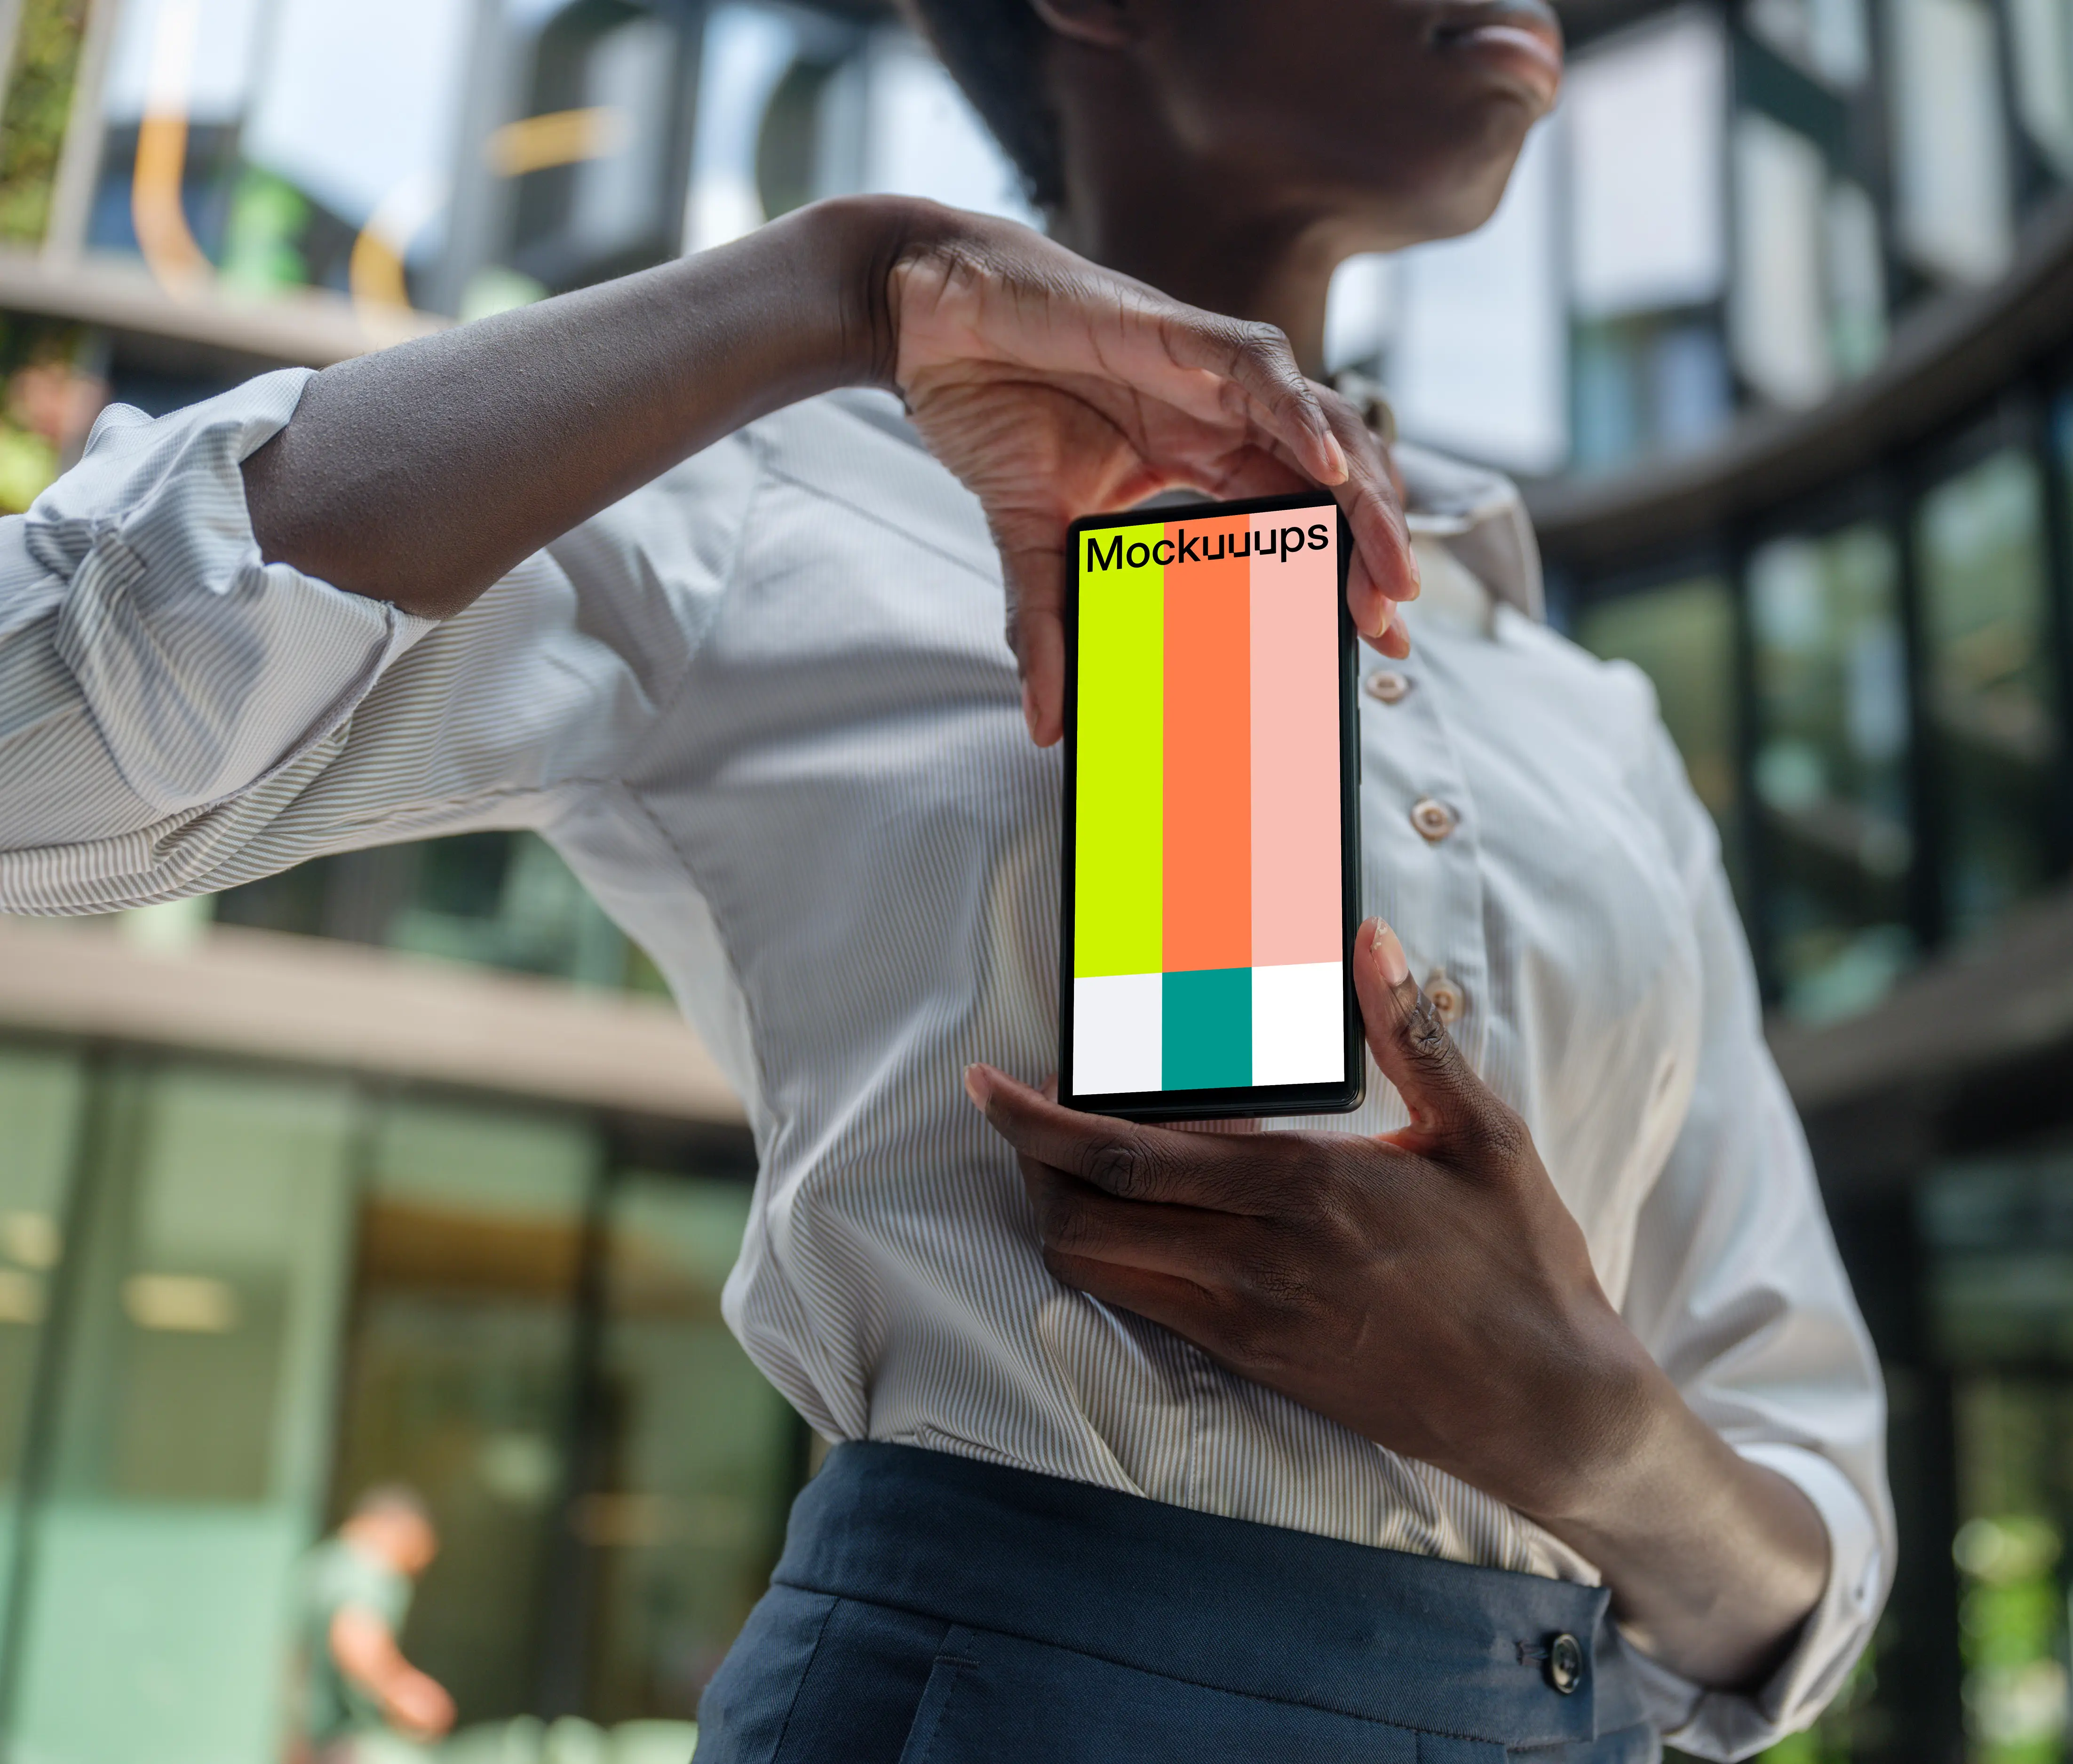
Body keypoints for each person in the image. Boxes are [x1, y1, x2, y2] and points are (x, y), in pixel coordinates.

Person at [0, 0, 1892, 1756]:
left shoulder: (1587, 717)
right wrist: (837, 288)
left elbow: (1799, 1539)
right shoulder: (772, 493)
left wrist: (1580, 1423)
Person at [298, 1487, 455, 1760]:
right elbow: (353, 1633)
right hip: (338, 1743)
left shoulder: (324, 1562)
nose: (414, 1571)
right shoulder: (366, 1565)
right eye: (416, 1555)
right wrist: (402, 1692)